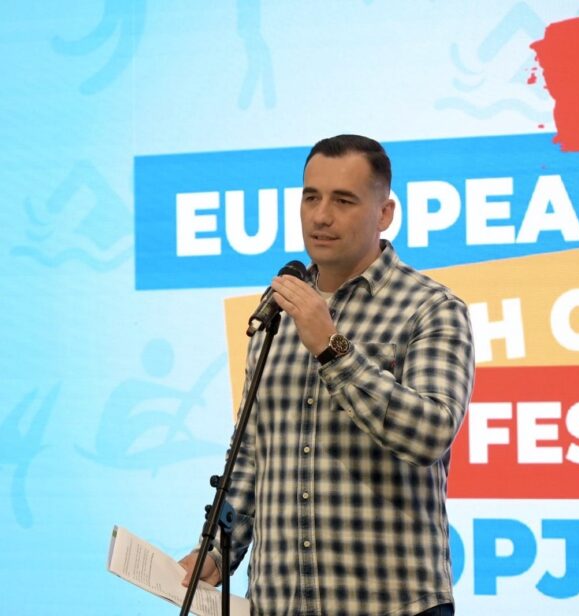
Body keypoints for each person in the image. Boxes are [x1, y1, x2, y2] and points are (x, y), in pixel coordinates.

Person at [180, 134, 475, 615]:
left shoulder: (431, 308)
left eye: (343, 200)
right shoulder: (278, 308)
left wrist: (332, 348)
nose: (320, 216)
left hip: (391, 605)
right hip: (278, 604)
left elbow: (430, 433)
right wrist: (214, 552)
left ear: (384, 214)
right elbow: (253, 451)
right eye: (311, 198)